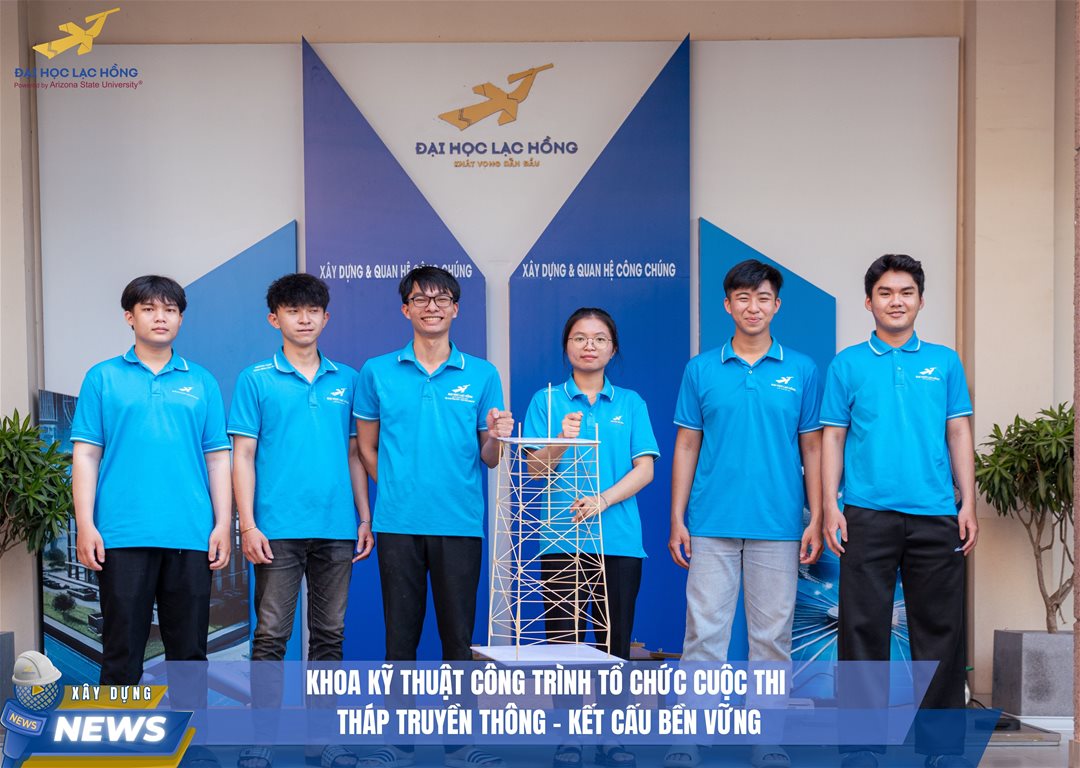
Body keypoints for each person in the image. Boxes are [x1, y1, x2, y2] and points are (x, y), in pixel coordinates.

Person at [353, 266, 512, 768]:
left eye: (442, 299)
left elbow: (490, 458)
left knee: (457, 639)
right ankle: (398, 742)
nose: (432, 307)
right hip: (397, 523)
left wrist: (497, 436)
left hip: (459, 523)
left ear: (456, 309)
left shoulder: (482, 374)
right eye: (421, 299)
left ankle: (458, 744)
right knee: (399, 637)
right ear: (406, 309)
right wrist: (396, 486)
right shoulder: (377, 371)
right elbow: (365, 447)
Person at [821, 254, 976, 768]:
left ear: (921, 301)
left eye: (906, 292)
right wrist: (830, 505)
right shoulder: (847, 364)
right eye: (885, 293)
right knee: (862, 630)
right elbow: (833, 437)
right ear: (868, 302)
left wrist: (969, 502)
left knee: (941, 631)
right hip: (866, 514)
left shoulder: (944, 362)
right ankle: (861, 746)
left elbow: (958, 431)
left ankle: (941, 748)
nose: (896, 301)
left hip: (936, 513)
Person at [667, 259, 823, 768]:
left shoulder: (802, 370)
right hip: (711, 522)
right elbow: (686, 444)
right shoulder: (701, 369)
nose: (752, 307)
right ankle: (691, 739)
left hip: (779, 524)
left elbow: (813, 448)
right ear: (727, 304)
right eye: (743, 298)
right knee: (703, 635)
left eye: (762, 298)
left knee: (772, 639)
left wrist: (816, 516)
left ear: (776, 305)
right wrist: (677, 517)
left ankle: (767, 739)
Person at [229, 273, 372, 768]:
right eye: (293, 310)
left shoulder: (348, 380)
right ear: (275, 319)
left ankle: (322, 739)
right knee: (271, 637)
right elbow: (242, 455)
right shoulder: (255, 379)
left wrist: (364, 516)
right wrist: (248, 524)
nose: (304, 319)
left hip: (336, 529)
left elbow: (355, 454)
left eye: (312, 311)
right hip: (276, 530)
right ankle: (262, 740)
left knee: (329, 637)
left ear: (326, 318)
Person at [71, 275, 232, 685]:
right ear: (130, 317)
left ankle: (190, 730)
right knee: (121, 653)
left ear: (180, 318)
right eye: (149, 309)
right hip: (121, 534)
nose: (160, 317)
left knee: (189, 655)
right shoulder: (102, 378)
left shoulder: (202, 381)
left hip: (190, 534)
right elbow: (86, 455)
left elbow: (218, 458)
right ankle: (118, 730)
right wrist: (86, 524)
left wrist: (221, 525)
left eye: (170, 310)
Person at [523, 307, 658, 768]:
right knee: (564, 643)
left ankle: (610, 734)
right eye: (580, 337)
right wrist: (562, 438)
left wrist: (602, 500)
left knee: (612, 645)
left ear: (612, 349)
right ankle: (570, 736)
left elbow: (645, 469)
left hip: (618, 540)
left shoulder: (631, 403)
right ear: (567, 346)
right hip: (561, 541)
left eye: (599, 338)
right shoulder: (546, 400)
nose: (589, 345)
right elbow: (534, 470)